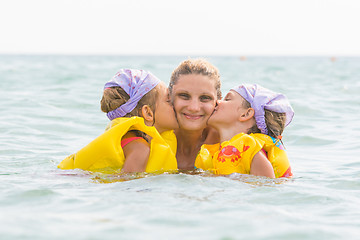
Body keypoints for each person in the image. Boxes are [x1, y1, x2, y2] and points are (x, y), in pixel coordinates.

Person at [58, 69, 179, 173]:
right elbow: (128, 189)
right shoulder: (140, 149)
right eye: (168, 101)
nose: (175, 104)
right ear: (148, 113)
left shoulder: (129, 140)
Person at [195, 84, 294, 178]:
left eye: (227, 99)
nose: (218, 101)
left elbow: (266, 189)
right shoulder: (215, 152)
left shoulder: (252, 151)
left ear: (246, 114)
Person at [169, 58, 221, 170]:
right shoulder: (148, 140)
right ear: (169, 97)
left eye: (205, 98)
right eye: (184, 96)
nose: (194, 108)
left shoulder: (226, 143)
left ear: (218, 101)